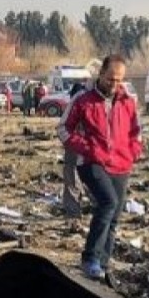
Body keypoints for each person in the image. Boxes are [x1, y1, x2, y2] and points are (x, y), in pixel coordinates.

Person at [58, 54, 143, 280]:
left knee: (114, 216)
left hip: (121, 164)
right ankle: (90, 258)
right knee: (108, 203)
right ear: (101, 74)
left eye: (119, 80)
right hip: (92, 163)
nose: (114, 85)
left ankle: (102, 266)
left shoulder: (128, 101)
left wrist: (133, 151)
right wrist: (88, 148)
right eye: (110, 79)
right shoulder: (83, 99)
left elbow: (136, 132)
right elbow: (64, 129)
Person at [62, 81, 88, 219]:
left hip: (76, 145)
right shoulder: (91, 99)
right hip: (89, 146)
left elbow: (64, 127)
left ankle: (73, 211)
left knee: (71, 176)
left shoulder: (78, 100)